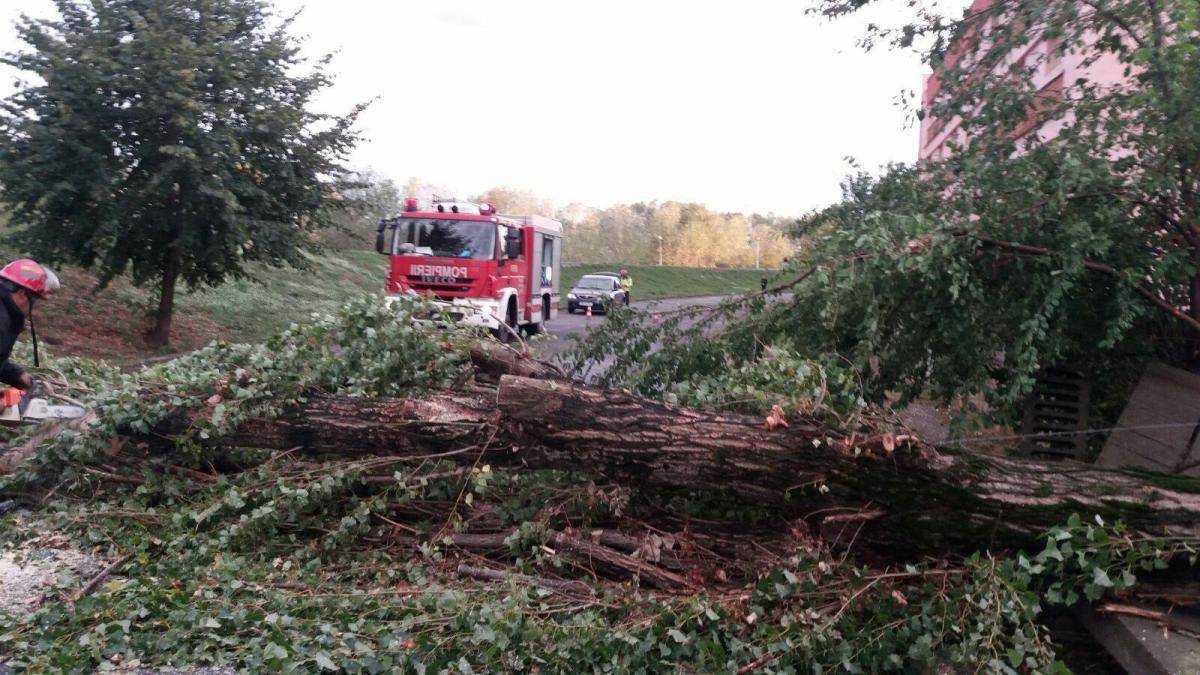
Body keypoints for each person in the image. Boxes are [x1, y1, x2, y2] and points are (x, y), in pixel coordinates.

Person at [0, 259, 60, 390]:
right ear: (22, 294)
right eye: (34, 300)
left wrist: (19, 376)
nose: (32, 306)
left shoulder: (7, 312)